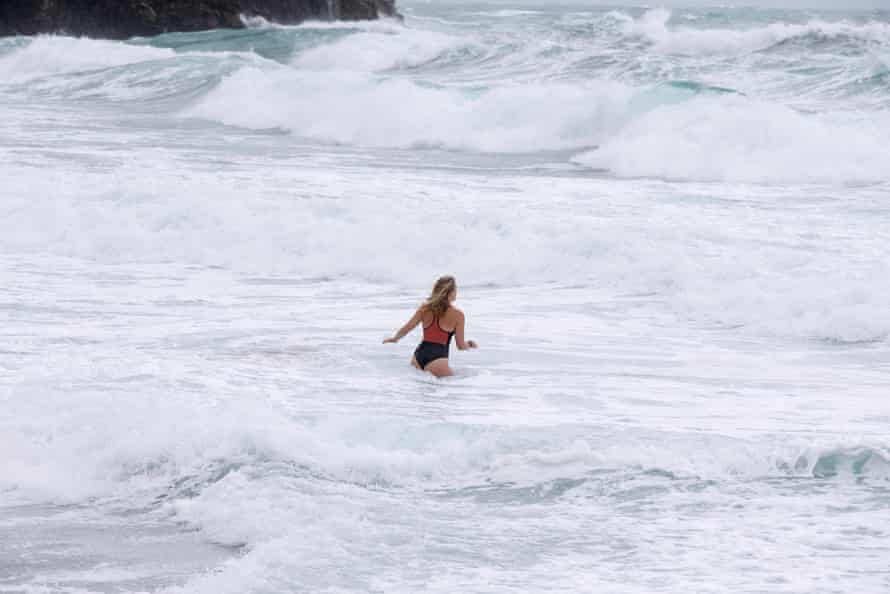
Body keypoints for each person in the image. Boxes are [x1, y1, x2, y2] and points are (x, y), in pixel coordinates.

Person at [383, 276, 477, 377]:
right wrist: (470, 344)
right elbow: (460, 346)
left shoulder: (424, 309)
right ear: (450, 292)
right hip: (437, 360)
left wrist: (395, 339)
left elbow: (407, 328)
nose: (456, 292)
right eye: (455, 289)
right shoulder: (458, 315)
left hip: (418, 357)